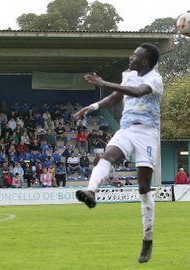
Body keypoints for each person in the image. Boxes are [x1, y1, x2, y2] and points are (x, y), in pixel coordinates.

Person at [74, 43, 163, 263]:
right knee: (107, 156)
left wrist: (102, 82)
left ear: (144, 61)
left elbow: (137, 92)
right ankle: (91, 192)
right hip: (126, 129)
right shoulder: (129, 76)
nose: (130, 58)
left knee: (143, 186)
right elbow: (116, 98)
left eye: (135, 56)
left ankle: (147, 239)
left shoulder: (154, 80)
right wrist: (92, 107)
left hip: (147, 133)